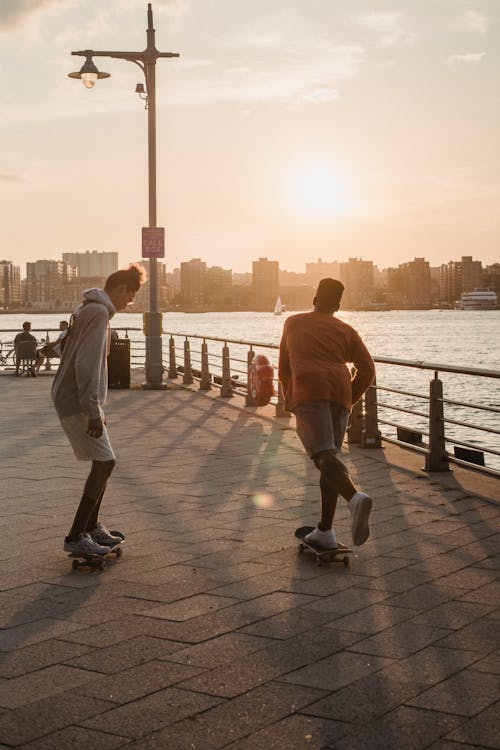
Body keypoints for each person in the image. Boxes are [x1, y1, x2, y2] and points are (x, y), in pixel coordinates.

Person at [52, 264, 146, 558]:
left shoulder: (87, 309)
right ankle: (76, 535)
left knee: (104, 461)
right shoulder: (99, 313)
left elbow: (65, 348)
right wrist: (92, 408)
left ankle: (91, 528)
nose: (127, 304)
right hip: (77, 399)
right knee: (105, 462)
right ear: (119, 289)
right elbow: (87, 362)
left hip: (72, 396)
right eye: (129, 298)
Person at [278, 278, 376, 549]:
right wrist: (350, 397)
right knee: (330, 458)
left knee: (322, 455)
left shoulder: (293, 323)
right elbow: (367, 370)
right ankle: (325, 530)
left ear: (314, 298)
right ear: (338, 304)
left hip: (310, 391)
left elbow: (284, 369)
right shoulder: (346, 330)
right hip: (340, 391)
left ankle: (355, 499)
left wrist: (293, 397)